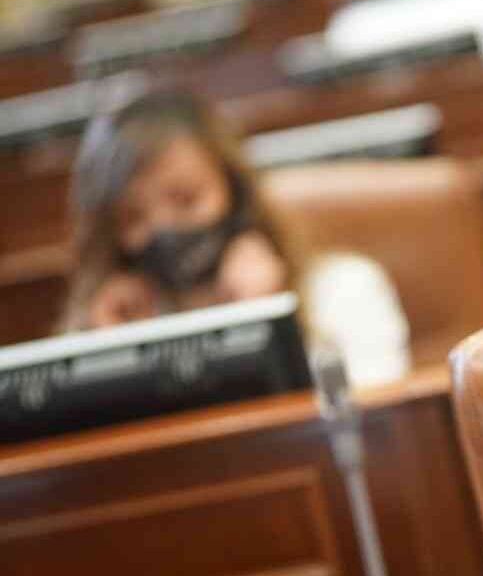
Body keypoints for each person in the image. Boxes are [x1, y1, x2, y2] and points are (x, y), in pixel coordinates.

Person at [59, 89, 408, 386]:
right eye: (132, 217)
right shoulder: (104, 326)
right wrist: (113, 358)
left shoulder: (343, 288)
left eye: (186, 199)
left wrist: (263, 327)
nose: (164, 228)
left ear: (236, 192)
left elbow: (378, 437)